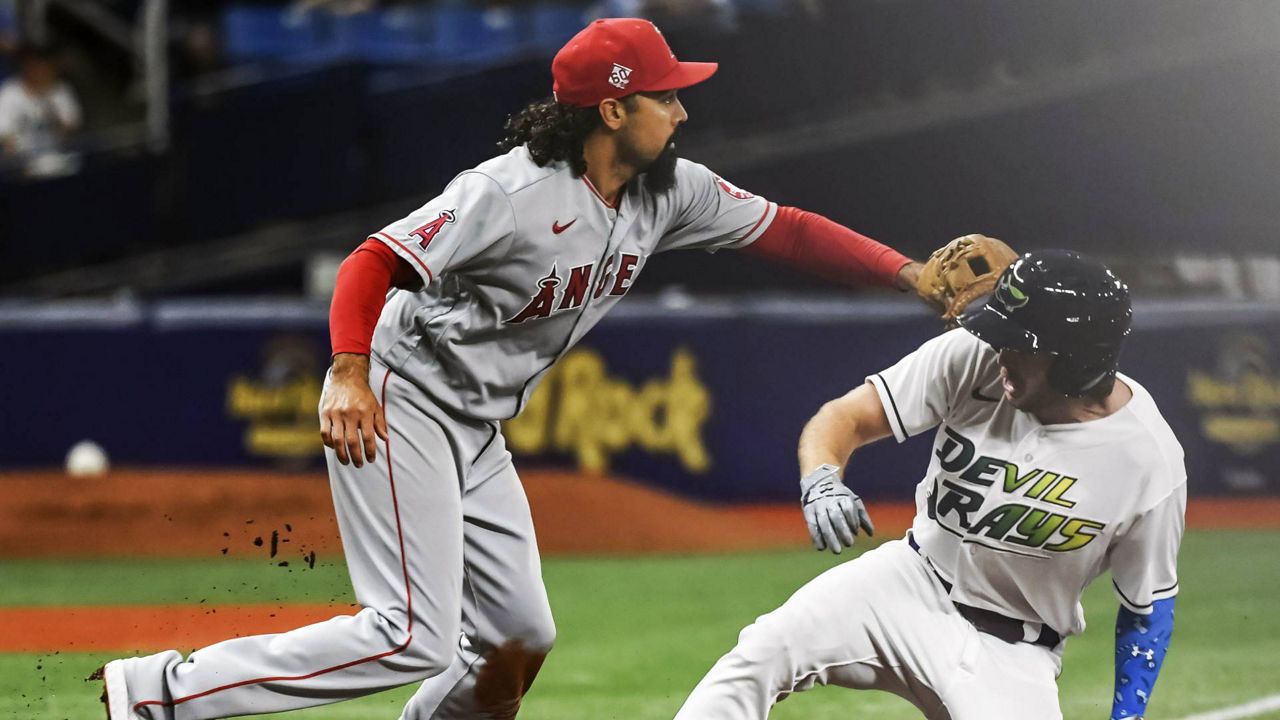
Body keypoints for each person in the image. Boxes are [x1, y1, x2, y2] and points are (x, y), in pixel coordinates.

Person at [93, 17, 930, 720]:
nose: (680, 110)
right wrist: (348, 369)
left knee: (519, 639)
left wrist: (911, 274)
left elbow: (788, 229)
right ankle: (158, 693)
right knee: (408, 632)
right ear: (612, 108)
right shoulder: (506, 193)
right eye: (665, 94)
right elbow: (369, 262)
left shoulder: (671, 190)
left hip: (476, 428)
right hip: (401, 396)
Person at [674, 250, 1185, 720]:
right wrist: (822, 479)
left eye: (1019, 343)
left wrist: (1127, 716)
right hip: (906, 581)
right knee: (760, 654)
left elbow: (1147, 609)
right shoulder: (974, 356)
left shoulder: (1148, 461)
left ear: (1077, 358)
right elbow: (845, 418)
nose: (1000, 350)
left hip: (1011, 650)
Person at [0, 42, 81, 177]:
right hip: (24, 169)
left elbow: (71, 130)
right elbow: (6, 137)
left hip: (61, 166)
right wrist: (20, 167)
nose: (39, 70)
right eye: (34, 65)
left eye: (44, 65)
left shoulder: (61, 91)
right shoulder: (9, 93)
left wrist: (48, 106)